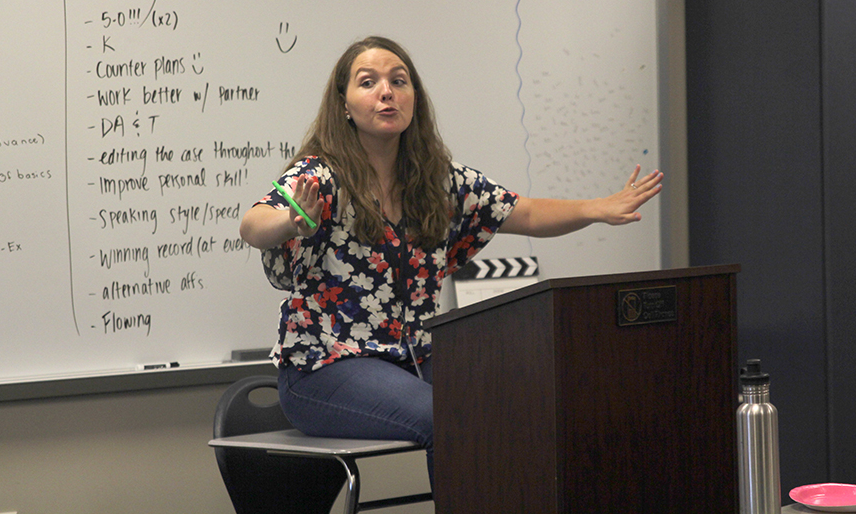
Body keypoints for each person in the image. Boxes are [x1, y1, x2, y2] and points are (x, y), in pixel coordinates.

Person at [239, 36, 663, 488]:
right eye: (369, 82)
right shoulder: (322, 175)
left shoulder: (440, 180)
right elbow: (253, 223)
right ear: (344, 105)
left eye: (399, 82)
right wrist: (291, 223)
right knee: (451, 419)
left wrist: (598, 208)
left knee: (517, 401)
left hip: (414, 358)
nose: (386, 92)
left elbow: (528, 212)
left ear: (414, 100)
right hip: (325, 368)